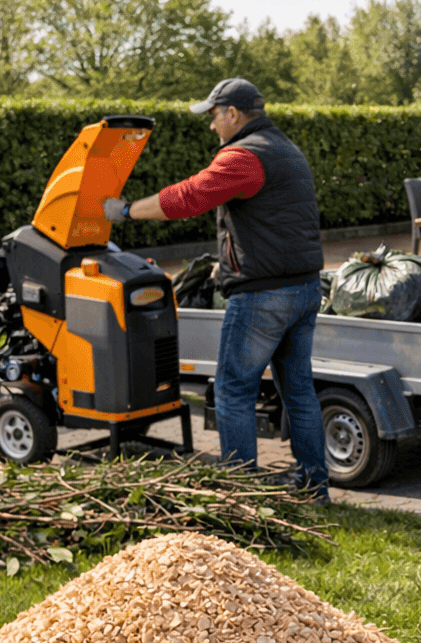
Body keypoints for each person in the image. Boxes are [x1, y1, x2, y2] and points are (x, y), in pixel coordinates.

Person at [103, 77, 328, 500]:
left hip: (263, 295)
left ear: (234, 114)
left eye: (214, 116)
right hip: (303, 288)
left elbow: (189, 197)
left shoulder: (244, 156)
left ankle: (240, 494)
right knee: (298, 391)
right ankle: (315, 486)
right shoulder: (286, 148)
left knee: (232, 391)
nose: (211, 126)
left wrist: (127, 211)